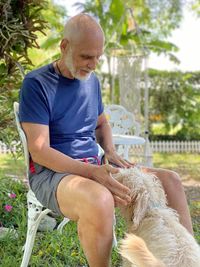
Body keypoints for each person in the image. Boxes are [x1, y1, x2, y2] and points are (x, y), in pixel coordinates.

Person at [19, 13, 193, 267]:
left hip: (96, 165)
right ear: (64, 46)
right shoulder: (37, 84)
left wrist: (109, 150)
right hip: (52, 174)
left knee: (171, 181)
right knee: (100, 198)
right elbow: (40, 151)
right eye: (86, 56)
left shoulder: (91, 82)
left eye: (98, 57)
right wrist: (91, 172)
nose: (93, 64)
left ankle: (187, 260)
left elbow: (101, 123)